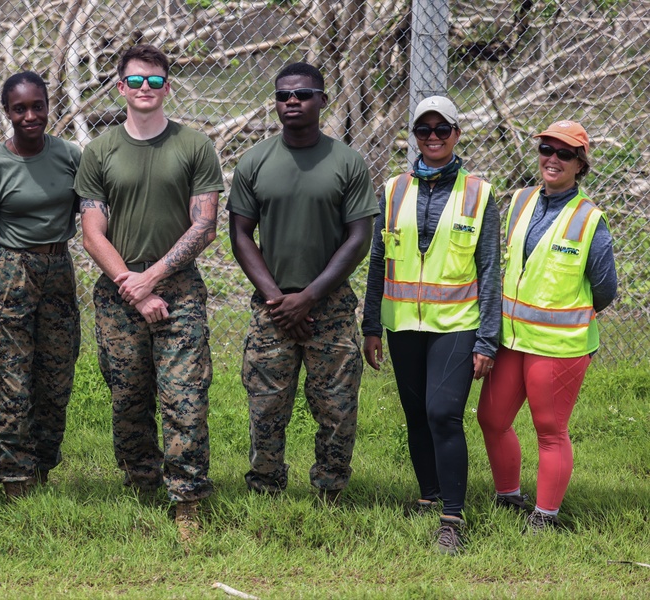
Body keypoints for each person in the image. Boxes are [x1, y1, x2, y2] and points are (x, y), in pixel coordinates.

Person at [74, 44, 223, 539]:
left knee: (184, 398)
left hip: (177, 290)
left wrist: (154, 277)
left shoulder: (194, 146)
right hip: (120, 291)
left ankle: (186, 500)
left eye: (155, 81)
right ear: (120, 87)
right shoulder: (100, 151)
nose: (145, 89)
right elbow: (93, 232)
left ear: (167, 87)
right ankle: (141, 485)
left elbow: (205, 225)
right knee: (128, 397)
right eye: (136, 81)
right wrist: (133, 288)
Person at [227, 62, 377, 508]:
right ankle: (266, 491)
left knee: (336, 408)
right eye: (283, 95)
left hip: (327, 307)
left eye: (303, 94)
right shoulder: (255, 161)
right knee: (266, 407)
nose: (292, 101)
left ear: (322, 101)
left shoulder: (347, 162)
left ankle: (330, 492)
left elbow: (359, 238)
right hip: (272, 308)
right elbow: (239, 234)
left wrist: (308, 297)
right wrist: (278, 300)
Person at [362, 96, 501, 554]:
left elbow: (489, 270)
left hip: (457, 324)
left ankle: (452, 520)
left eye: (443, 129)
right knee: (417, 415)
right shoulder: (391, 189)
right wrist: (371, 325)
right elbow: (379, 258)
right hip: (403, 323)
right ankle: (429, 496)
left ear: (457, 134)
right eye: (424, 130)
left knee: (443, 413)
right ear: (414, 137)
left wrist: (487, 338)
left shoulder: (480, 193)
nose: (434, 137)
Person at [477, 120, 617, 533]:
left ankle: (545, 517)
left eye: (565, 154)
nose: (552, 159)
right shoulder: (520, 201)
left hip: (559, 346)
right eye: (546, 150)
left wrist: (567, 315)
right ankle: (508, 496)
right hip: (511, 337)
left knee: (550, 430)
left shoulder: (591, 220)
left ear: (580, 164)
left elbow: (605, 288)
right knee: (491, 418)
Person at [0, 71, 82, 499]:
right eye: (20, 108)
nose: (30, 115)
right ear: (7, 113)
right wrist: (6, 269)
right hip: (9, 272)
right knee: (12, 381)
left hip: (58, 270)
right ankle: (16, 482)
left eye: (38, 106)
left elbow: (87, 208)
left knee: (55, 378)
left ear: (49, 106)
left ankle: (43, 470)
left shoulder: (70, 155)